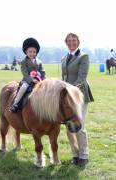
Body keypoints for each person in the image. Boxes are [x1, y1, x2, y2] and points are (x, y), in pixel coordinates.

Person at [61, 33, 94, 167]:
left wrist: (70, 91)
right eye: (69, 41)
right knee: (69, 126)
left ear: (78, 42)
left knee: (79, 126)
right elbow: (64, 77)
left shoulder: (83, 56)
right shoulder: (64, 57)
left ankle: (84, 156)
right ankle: (75, 154)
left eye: (74, 40)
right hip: (67, 96)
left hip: (79, 94)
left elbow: (81, 77)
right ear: (66, 42)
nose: (71, 42)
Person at [10, 38, 45, 113]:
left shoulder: (39, 62)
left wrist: (43, 79)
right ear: (26, 52)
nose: (32, 53)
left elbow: (42, 72)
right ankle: (15, 104)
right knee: (23, 87)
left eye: (34, 52)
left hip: (39, 80)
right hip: (27, 80)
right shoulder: (23, 62)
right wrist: (32, 80)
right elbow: (25, 74)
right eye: (30, 52)